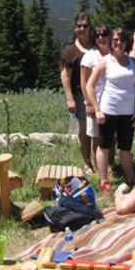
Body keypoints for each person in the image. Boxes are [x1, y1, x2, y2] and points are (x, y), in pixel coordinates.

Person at [85, 27, 135, 194]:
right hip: (109, 111)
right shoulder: (105, 61)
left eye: (122, 40)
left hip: (128, 112)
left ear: (127, 43)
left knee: (125, 148)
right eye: (116, 40)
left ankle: (132, 180)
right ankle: (104, 181)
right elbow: (90, 86)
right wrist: (97, 109)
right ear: (111, 42)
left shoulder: (132, 61)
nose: (119, 43)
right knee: (104, 146)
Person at [60, 13, 93, 173]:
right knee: (84, 129)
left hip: (99, 95)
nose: (82, 29)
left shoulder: (97, 46)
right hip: (80, 95)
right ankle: (87, 162)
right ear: (75, 28)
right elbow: (65, 75)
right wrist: (70, 99)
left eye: (85, 26)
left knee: (99, 130)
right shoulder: (70, 51)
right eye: (79, 26)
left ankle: (102, 161)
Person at [79, 23, 111, 175]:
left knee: (111, 137)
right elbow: (84, 82)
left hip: (112, 102)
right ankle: (99, 169)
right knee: (96, 138)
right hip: (95, 101)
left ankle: (109, 165)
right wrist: (89, 104)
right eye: (97, 35)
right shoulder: (90, 56)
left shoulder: (114, 54)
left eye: (104, 34)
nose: (101, 38)